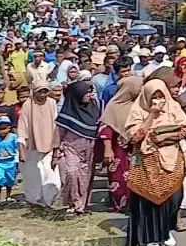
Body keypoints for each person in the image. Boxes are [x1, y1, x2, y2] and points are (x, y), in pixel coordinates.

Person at [124, 71, 186, 246]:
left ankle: (164, 231)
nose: (159, 100)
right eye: (154, 96)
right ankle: (151, 239)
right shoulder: (138, 110)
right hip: (148, 161)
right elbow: (134, 137)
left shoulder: (174, 107)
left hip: (172, 158)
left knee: (174, 198)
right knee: (151, 200)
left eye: (162, 95)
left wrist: (168, 135)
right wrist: (151, 116)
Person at [99, 76, 145, 213]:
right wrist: (108, 150)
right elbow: (106, 128)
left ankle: (135, 205)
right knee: (118, 178)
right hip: (118, 150)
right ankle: (120, 205)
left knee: (137, 176)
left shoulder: (141, 105)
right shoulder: (113, 106)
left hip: (137, 149)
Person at [55, 79, 101, 215]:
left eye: (90, 92)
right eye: (86, 93)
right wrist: (56, 152)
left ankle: (80, 206)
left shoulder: (95, 108)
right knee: (72, 173)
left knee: (85, 178)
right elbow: (58, 134)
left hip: (89, 149)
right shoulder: (67, 112)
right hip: (71, 149)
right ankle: (71, 202)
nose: (89, 95)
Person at [16, 80, 62, 207]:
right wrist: (21, 148)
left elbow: (55, 124)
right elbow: (22, 127)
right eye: (40, 91)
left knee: (50, 172)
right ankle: (33, 199)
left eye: (45, 91)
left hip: (50, 144)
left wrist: (57, 146)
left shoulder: (52, 103)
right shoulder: (28, 105)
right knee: (33, 174)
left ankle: (49, 199)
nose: (42, 94)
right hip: (32, 145)